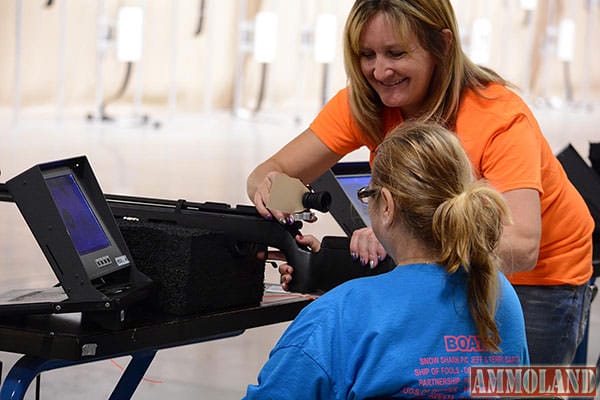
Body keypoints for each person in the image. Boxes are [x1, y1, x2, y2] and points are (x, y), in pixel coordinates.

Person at [246, 0, 593, 365]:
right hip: (445, 267)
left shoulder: (500, 118)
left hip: (538, 282)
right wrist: (280, 200)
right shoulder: (366, 103)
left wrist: (401, 240)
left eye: (396, 53)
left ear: (442, 45)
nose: (379, 71)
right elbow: (270, 172)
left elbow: (522, 246)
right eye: (367, 55)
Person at [244, 122, 529, 399]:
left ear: (387, 208)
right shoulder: (497, 293)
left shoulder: (335, 318)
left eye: (369, 196)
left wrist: (342, 303)